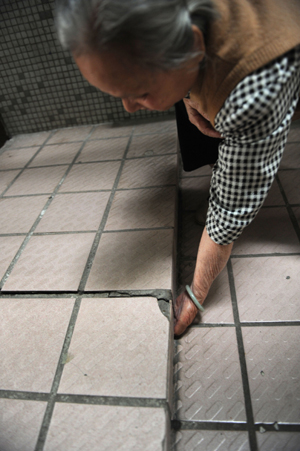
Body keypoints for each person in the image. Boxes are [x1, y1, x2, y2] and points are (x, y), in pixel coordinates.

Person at [55, 0, 300, 335]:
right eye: (119, 95)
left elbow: (232, 207)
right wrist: (189, 96)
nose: (129, 109)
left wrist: (196, 295)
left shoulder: (253, 87)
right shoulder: (173, 23)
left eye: (140, 92)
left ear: (193, 48)